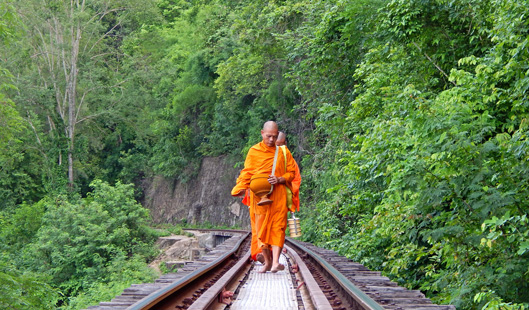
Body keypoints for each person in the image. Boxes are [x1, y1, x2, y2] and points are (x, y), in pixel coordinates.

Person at [231, 121, 297, 272]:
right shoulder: (254, 151)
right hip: (259, 198)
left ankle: (275, 262)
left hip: (278, 195)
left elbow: (291, 173)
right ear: (262, 133)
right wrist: (240, 188)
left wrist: (280, 179)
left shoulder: (284, 152)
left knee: (278, 228)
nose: (272, 140)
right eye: (268, 136)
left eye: (274, 137)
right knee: (261, 229)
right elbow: (247, 172)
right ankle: (267, 262)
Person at [276, 131, 301, 213]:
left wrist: (286, 191)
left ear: (285, 144)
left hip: (283, 197)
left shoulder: (290, 161)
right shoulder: (266, 157)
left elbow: (296, 181)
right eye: (277, 146)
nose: (279, 149)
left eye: (281, 145)